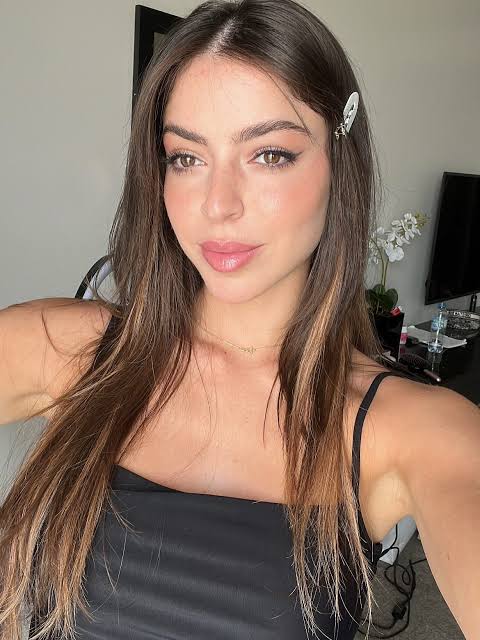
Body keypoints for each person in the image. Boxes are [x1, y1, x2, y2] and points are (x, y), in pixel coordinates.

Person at [0, 1, 479, 639]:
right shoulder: (65, 349)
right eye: (186, 158)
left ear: (339, 164)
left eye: (270, 154)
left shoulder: (414, 429)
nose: (217, 205)